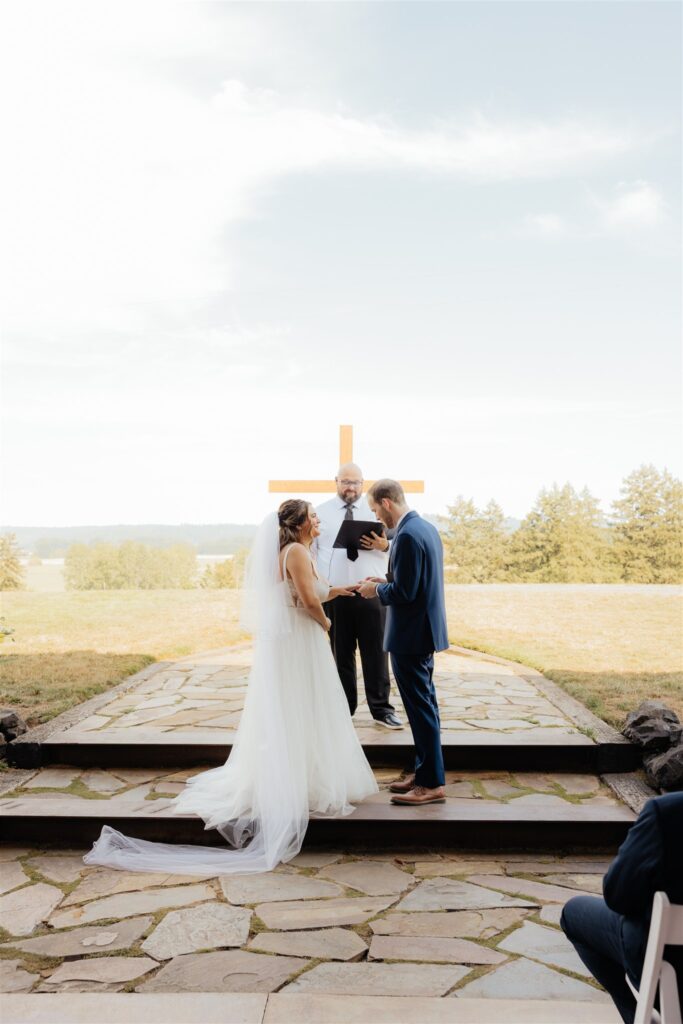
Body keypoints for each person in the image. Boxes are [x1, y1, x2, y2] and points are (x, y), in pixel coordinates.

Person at [83, 499, 379, 874]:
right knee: (302, 706)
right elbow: (307, 600)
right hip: (300, 642)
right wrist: (326, 625)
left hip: (291, 642)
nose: (319, 519)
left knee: (296, 707)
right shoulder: (297, 553)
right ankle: (299, 781)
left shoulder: (293, 551)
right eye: (314, 515)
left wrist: (341, 590)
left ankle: (301, 775)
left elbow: (313, 590)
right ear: (301, 522)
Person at [357, 479, 448, 806]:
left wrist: (376, 591)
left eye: (375, 511)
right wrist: (385, 579)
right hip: (424, 630)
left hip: (411, 634)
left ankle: (431, 784)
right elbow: (415, 579)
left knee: (420, 708)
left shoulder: (407, 535)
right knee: (425, 705)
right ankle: (424, 771)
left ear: (386, 502)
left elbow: (406, 592)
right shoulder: (425, 528)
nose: (378, 519)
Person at [561, 792, 683, 1024]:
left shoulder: (668, 812)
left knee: (573, 913)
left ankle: (639, 1016)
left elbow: (618, 896)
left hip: (669, 977)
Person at [315, 462, 403, 730]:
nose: (350, 487)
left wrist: (385, 544)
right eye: (345, 481)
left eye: (355, 482)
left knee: (376, 652)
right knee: (341, 653)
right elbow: (312, 550)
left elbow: (400, 545)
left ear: (363, 483)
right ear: (336, 482)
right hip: (338, 593)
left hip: (372, 592)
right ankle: (344, 709)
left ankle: (382, 709)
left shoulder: (377, 510)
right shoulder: (321, 512)